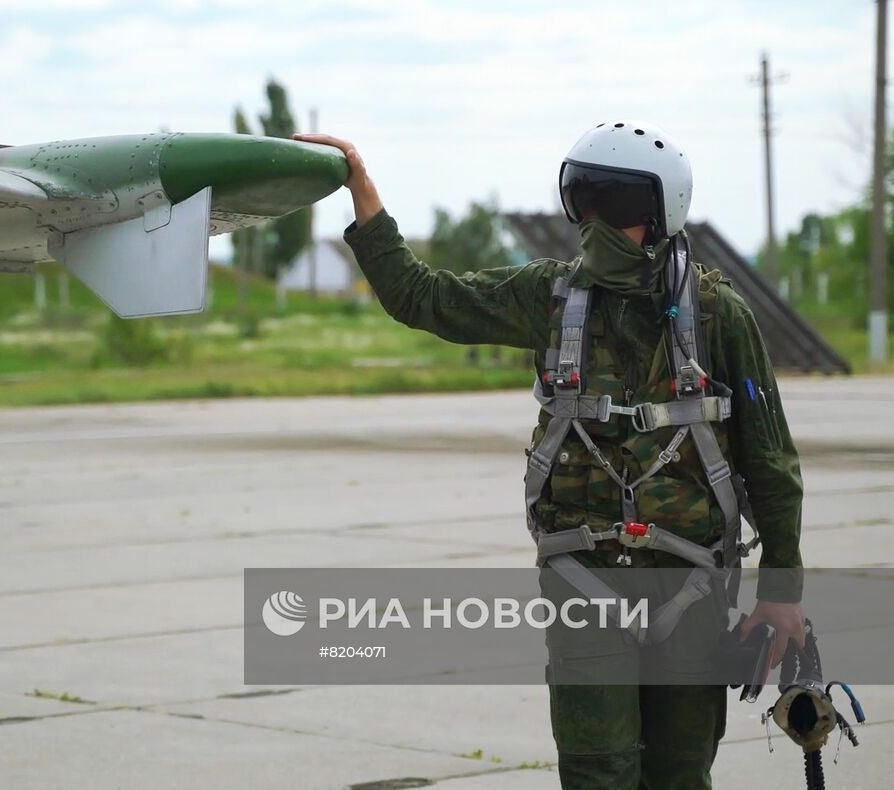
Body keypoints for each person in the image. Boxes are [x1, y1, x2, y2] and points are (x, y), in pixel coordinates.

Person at [297, 122, 807, 789]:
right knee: (598, 771)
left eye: (613, 207)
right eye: (582, 201)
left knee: (680, 773)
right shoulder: (549, 298)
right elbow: (421, 296)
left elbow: (770, 461)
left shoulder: (718, 316)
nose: (592, 224)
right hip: (583, 577)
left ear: (659, 216)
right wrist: (363, 193)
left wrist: (782, 592)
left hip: (695, 580)